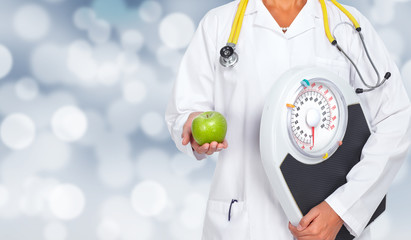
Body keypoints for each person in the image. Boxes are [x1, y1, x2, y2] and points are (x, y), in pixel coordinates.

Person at [165, 0, 411, 239]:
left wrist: (341, 210)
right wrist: (191, 127)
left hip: (327, 221)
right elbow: (185, 111)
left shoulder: (347, 25)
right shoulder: (218, 24)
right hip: (244, 218)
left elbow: (395, 117)